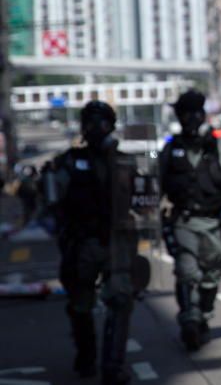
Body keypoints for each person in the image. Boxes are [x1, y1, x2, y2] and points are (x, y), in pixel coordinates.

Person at [43, 101, 136, 384]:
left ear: (112, 126)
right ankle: (86, 356)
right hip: (82, 244)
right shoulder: (68, 162)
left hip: (115, 243)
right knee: (81, 305)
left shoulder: (124, 161)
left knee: (120, 300)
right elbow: (51, 201)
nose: (96, 129)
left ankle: (112, 365)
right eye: (91, 122)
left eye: (103, 122)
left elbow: (145, 200)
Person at [159, 89, 221, 351]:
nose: (189, 119)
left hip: (215, 224)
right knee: (187, 271)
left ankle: (204, 316)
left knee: (210, 277)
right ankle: (190, 319)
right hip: (184, 221)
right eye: (184, 114)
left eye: (193, 113)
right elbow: (157, 185)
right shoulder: (170, 148)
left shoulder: (219, 148)